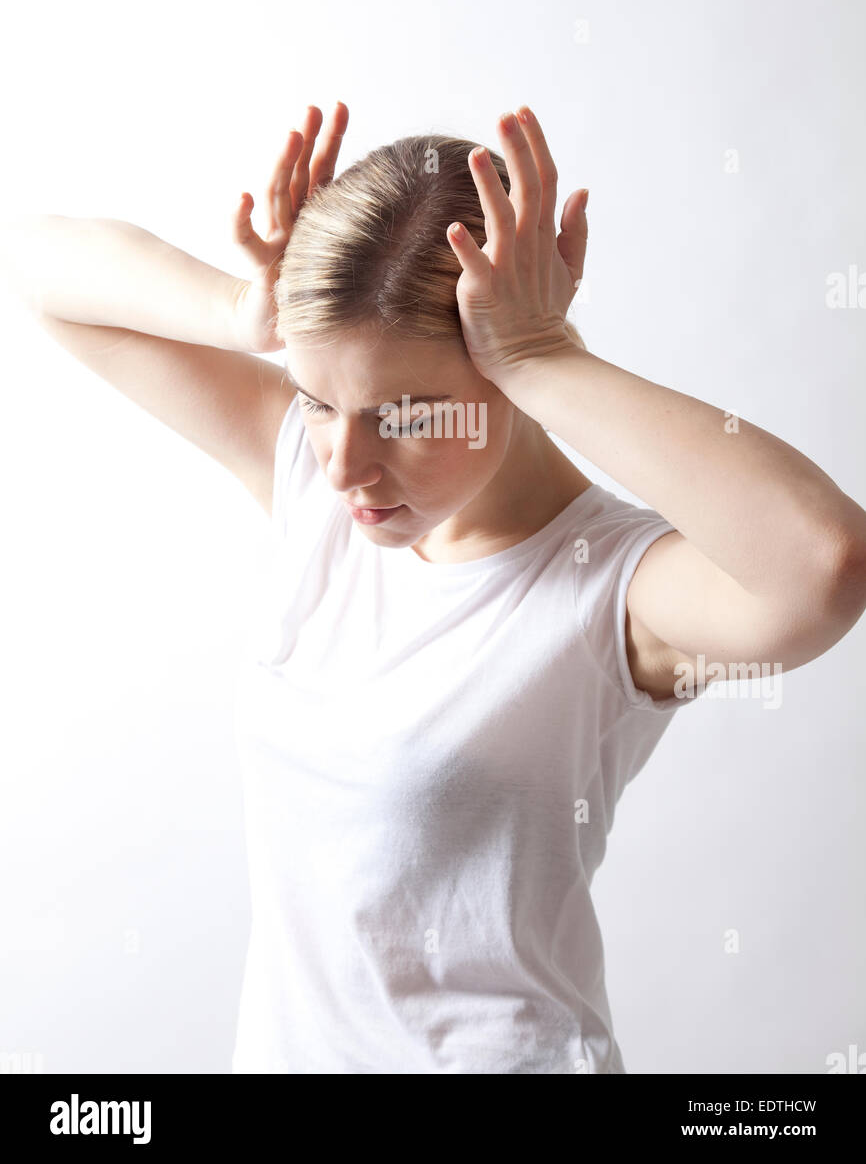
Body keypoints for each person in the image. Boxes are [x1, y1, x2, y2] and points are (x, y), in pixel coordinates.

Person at [5, 102, 866, 1074]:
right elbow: (33, 263)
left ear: (505, 373)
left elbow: (823, 563)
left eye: (404, 415)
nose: (343, 464)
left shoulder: (611, 591)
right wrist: (244, 313)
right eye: (318, 400)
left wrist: (547, 355)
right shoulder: (315, 487)